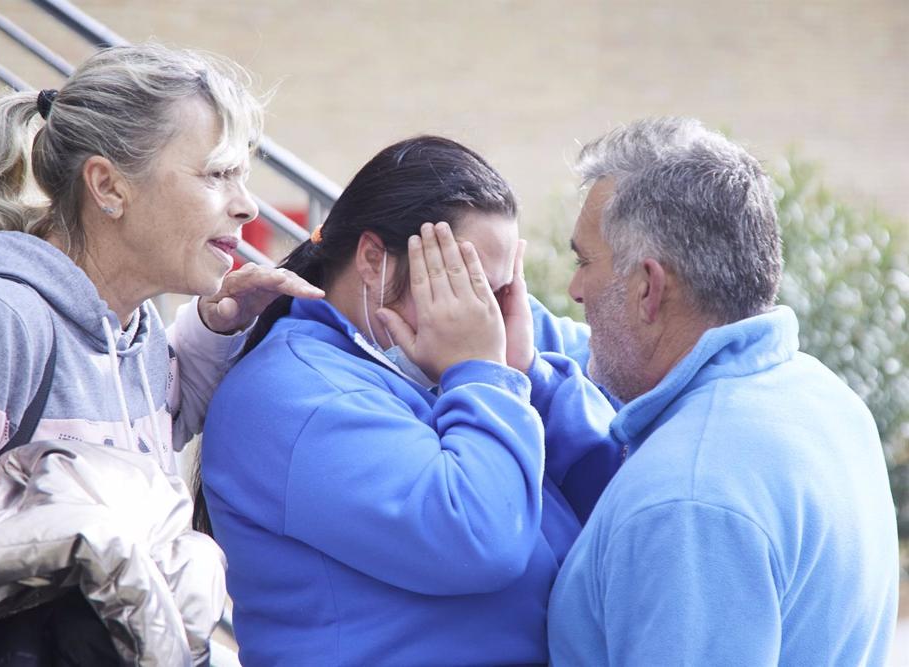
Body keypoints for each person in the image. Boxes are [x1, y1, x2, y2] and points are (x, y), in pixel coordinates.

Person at [0, 44, 321, 663]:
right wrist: (82, 533)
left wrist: (214, 330)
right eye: (215, 174)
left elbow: (131, 435)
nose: (246, 204)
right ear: (107, 186)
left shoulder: (137, 330)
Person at [201, 136, 622, 665]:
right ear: (374, 260)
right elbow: (480, 538)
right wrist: (487, 377)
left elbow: (628, 447)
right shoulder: (291, 398)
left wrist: (529, 373)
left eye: (498, 293)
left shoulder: (466, 341)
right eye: (463, 286)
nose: (485, 316)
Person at [546, 117, 900, 665]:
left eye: (583, 262)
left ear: (647, 287)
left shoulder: (686, 501)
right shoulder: (822, 397)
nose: (574, 291)